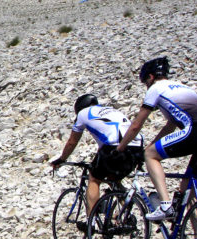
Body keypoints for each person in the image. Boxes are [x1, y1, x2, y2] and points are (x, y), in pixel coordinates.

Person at [117, 57, 197, 222]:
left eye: (145, 82)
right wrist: (150, 146)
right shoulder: (183, 87)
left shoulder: (155, 88)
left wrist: (121, 147)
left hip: (195, 131)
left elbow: (136, 125)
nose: (146, 86)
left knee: (151, 156)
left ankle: (165, 205)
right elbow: (169, 127)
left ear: (150, 77)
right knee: (188, 193)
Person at [50, 93, 142, 221]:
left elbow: (72, 141)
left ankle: (91, 221)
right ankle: (125, 211)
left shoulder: (83, 114)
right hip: (137, 146)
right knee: (114, 178)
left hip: (114, 146)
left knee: (94, 178)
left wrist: (62, 159)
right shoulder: (111, 110)